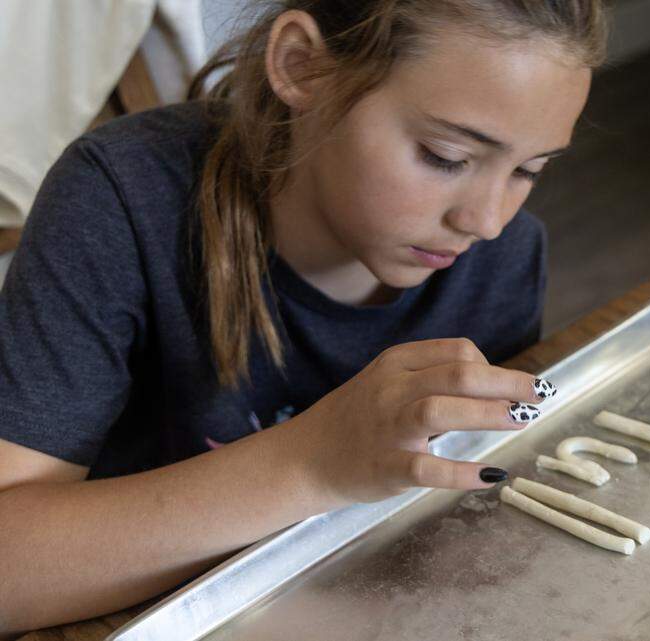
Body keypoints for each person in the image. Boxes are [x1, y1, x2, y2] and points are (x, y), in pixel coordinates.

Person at [0, 0, 605, 633]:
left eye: (528, 170)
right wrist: (315, 462)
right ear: (303, 66)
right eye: (444, 155)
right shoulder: (119, 198)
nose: (485, 221)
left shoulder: (505, 256)